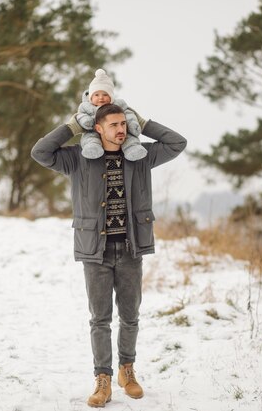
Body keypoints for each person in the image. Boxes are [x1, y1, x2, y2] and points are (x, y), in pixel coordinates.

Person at [31, 94, 187, 408]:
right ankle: (102, 379)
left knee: (130, 317)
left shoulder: (140, 155)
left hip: (131, 248)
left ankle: (126, 371)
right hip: (96, 251)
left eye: (124, 124)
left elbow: (177, 143)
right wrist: (73, 125)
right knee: (99, 319)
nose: (121, 129)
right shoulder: (77, 158)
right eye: (114, 124)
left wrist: (142, 122)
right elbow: (40, 152)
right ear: (98, 128)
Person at [77, 69, 147, 162]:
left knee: (127, 136)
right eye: (96, 95)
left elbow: (129, 114)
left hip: (117, 138)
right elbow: (80, 116)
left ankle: (133, 148)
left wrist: (134, 123)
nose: (101, 98)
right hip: (92, 129)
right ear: (90, 97)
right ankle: (93, 148)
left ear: (111, 97)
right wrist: (84, 121)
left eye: (105, 94)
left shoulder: (118, 106)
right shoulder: (86, 107)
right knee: (90, 138)